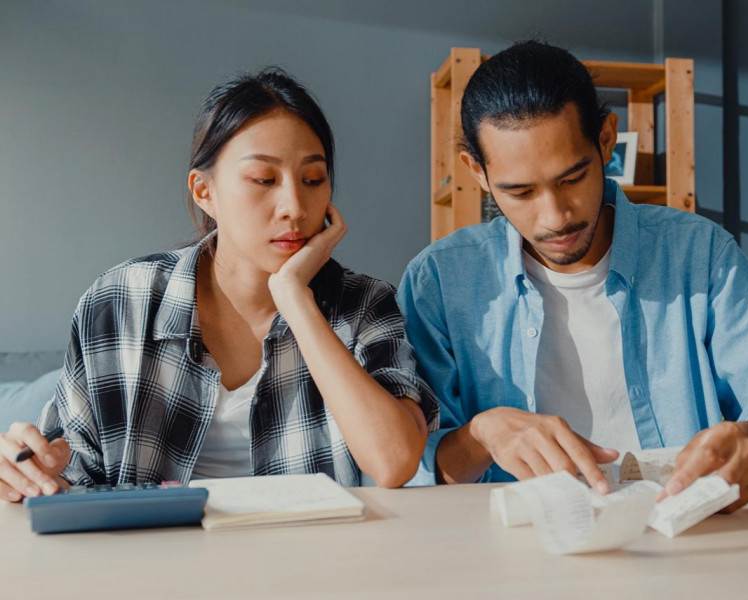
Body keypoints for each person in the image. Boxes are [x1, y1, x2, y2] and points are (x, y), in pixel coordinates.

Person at [0, 67, 438, 502]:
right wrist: (30, 469)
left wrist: (295, 299)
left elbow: (393, 461)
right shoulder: (121, 300)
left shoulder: (364, 303)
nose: (293, 206)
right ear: (204, 190)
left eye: (313, 180)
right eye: (264, 180)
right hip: (154, 560)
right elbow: (70, 470)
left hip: (311, 561)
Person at [398, 40, 748, 511]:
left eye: (572, 179)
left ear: (606, 140)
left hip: (691, 547)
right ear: (477, 172)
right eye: (521, 192)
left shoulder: (700, 255)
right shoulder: (440, 281)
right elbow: (408, 467)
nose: (554, 217)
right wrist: (482, 435)